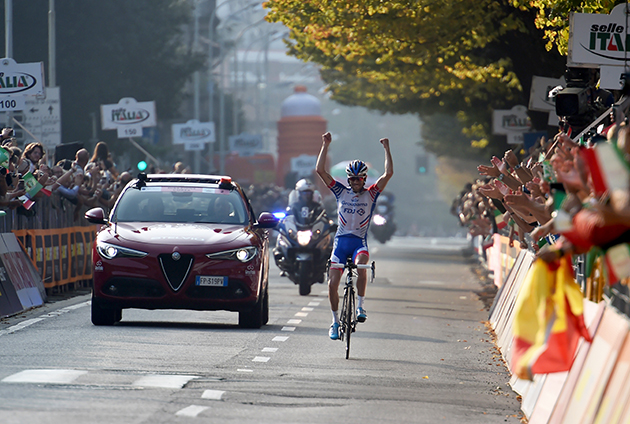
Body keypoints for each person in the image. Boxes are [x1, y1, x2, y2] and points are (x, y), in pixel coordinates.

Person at [316, 131, 393, 340]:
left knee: (361, 265)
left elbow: (388, 174)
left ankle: (360, 306)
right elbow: (320, 170)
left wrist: (386, 149)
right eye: (352, 179)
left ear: (364, 179)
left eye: (359, 179)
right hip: (341, 243)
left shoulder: (371, 194)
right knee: (332, 284)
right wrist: (326, 145)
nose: (356, 181)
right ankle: (334, 322)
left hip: (359, 242)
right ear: (349, 180)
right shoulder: (341, 192)